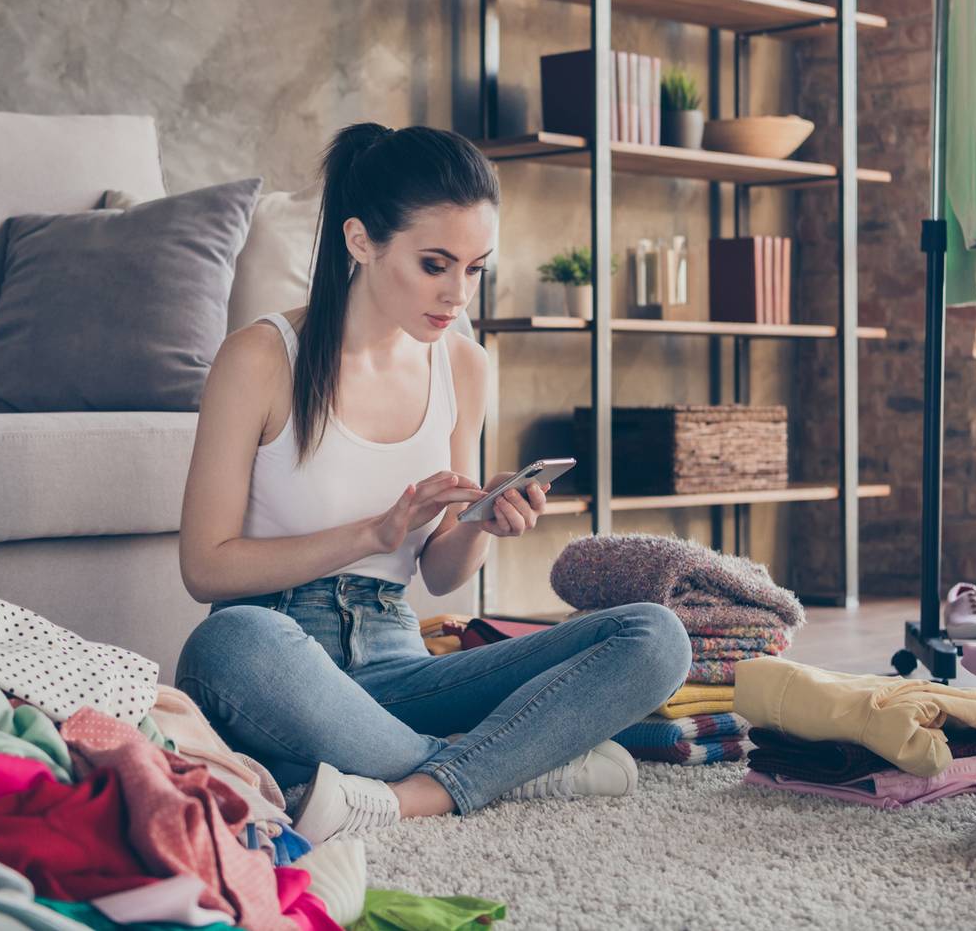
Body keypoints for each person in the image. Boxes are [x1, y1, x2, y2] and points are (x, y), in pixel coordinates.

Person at [174, 122, 691, 842]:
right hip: (281, 665)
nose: (457, 294)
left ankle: (416, 790)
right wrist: (371, 532)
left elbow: (442, 575)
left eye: (476, 268)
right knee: (229, 642)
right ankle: (512, 766)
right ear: (361, 241)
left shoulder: (464, 366)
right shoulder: (260, 357)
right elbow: (204, 566)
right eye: (435, 264)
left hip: (401, 670)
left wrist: (481, 520)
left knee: (656, 634)